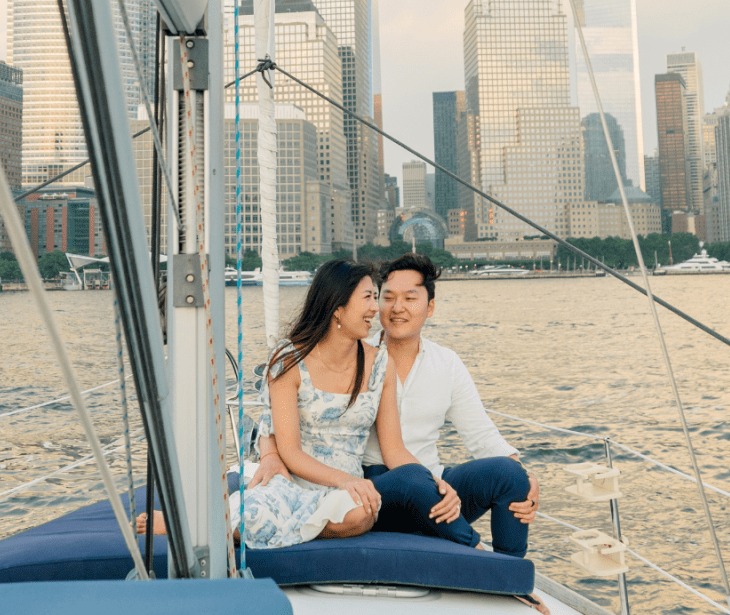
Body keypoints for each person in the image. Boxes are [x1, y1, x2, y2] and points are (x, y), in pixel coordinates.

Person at [253, 253, 549, 613]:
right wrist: (269, 453)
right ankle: (483, 561)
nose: (394, 308)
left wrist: (522, 475)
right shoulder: (345, 353)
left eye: (410, 298)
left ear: (430, 306)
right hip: (379, 483)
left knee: (509, 476)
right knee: (410, 479)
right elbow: (279, 419)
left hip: (422, 477)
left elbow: (481, 435)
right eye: (385, 296)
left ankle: (514, 576)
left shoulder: (440, 364)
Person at [141, 259, 486, 551]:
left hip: (347, 487)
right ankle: (194, 525)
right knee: (259, 513)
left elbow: (394, 450)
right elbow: (289, 452)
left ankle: (279, 527)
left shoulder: (381, 364)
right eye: (368, 298)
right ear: (338, 306)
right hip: (296, 480)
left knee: (361, 515)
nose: (374, 309)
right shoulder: (289, 361)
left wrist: (438, 483)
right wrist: (342, 481)